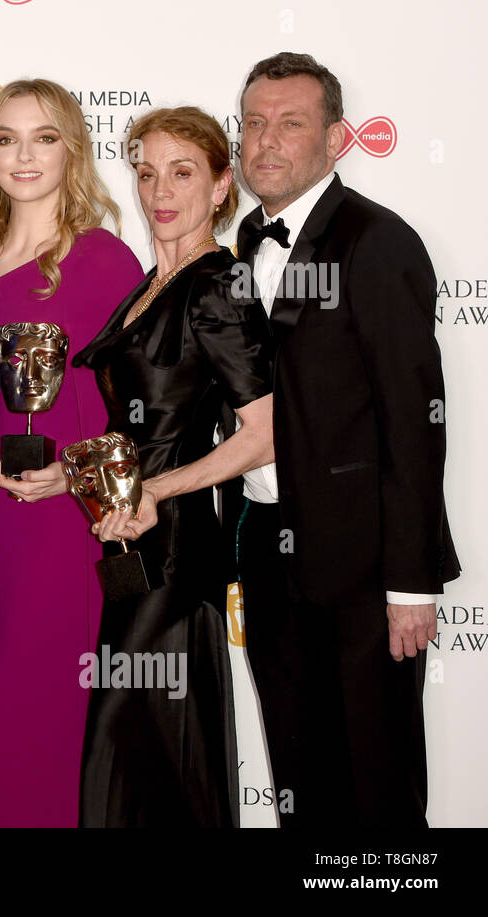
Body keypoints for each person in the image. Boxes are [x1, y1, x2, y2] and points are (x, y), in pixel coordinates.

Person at [234, 52, 459, 828]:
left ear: (335, 138)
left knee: (379, 787)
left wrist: (411, 584)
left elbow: (415, 420)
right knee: (301, 780)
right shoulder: (243, 241)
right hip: (269, 552)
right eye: (254, 124)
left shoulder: (378, 242)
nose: (266, 142)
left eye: (290, 124)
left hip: (366, 569)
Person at [50, 106, 275, 826]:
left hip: (174, 552)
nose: (159, 190)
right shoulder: (155, 281)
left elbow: (266, 435)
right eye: (146, 173)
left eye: (182, 173)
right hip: (132, 536)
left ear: (219, 185)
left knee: (143, 742)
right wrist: (70, 477)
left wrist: (158, 488)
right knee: (136, 749)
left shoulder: (218, 285)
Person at [0, 79, 143, 828]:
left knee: (37, 710)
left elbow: (135, 410)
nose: (25, 155)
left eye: (44, 137)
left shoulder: (104, 260)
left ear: (72, 147)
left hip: (57, 523)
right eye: (6, 138)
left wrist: (70, 474)